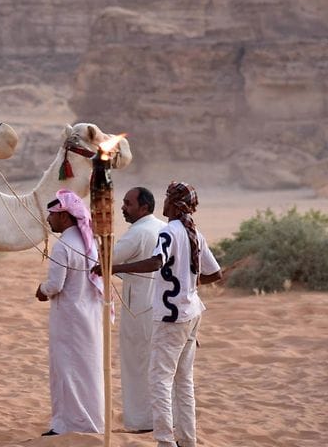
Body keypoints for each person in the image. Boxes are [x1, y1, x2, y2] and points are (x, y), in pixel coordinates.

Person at [93, 181, 222, 447]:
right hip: (192, 312)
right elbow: (215, 274)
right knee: (183, 381)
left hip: (171, 316)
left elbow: (155, 262)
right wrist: (188, 282)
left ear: (174, 204)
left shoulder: (169, 232)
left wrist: (113, 267)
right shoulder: (195, 232)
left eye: (166, 198)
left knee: (160, 381)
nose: (162, 203)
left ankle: (165, 441)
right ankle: (188, 440)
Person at [35, 189, 104, 436]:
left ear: (64, 216)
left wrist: (41, 290)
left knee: (66, 370)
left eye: (51, 215)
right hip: (90, 315)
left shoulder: (64, 245)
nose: (48, 220)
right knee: (88, 369)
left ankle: (67, 425)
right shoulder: (88, 242)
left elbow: (54, 286)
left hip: (69, 317)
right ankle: (90, 421)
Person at [111, 187, 164, 433]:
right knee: (160, 366)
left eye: (128, 203)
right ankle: (162, 418)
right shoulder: (164, 227)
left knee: (136, 364)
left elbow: (107, 259)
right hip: (164, 308)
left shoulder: (138, 233)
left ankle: (141, 422)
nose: (123, 208)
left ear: (144, 207)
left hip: (139, 309)